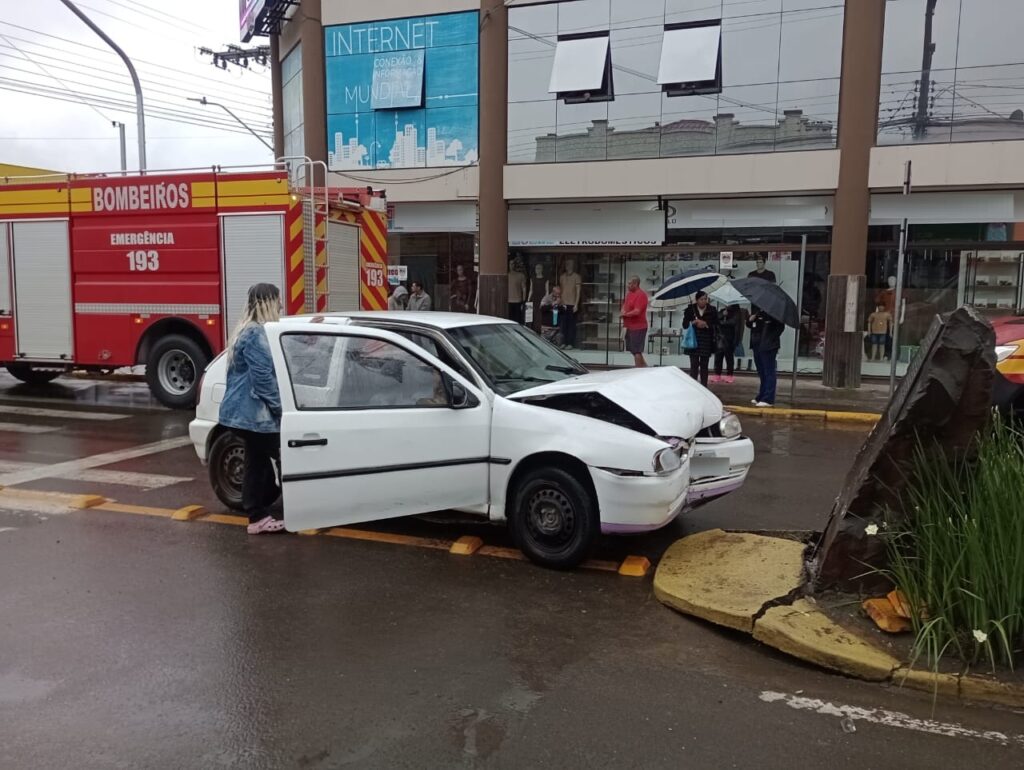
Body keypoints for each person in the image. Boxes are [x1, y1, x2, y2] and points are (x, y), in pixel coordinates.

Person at [219, 283, 285, 535]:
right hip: (253, 416)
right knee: (277, 459)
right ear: (268, 302)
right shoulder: (257, 334)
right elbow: (263, 380)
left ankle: (257, 514)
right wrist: (282, 410)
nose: (281, 305)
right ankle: (259, 515)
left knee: (256, 462)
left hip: (243, 414)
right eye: (278, 300)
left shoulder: (247, 330)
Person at [747, 306, 785, 407]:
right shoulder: (759, 311)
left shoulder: (774, 312)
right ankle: (762, 394)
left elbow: (780, 327)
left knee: (769, 371)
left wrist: (770, 339)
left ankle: (768, 398)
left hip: (768, 345)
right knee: (761, 372)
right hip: (757, 344)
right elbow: (751, 325)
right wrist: (750, 320)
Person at [682, 290, 718, 387]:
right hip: (693, 339)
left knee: (704, 365)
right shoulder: (690, 310)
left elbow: (717, 325)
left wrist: (706, 324)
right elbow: (685, 325)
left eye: (705, 299)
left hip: (706, 340)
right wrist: (693, 322)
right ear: (696, 300)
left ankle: (704, 386)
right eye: (701, 299)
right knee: (694, 365)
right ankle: (693, 386)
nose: (703, 301)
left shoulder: (712, 310)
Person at [620, 275, 649, 368]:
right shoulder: (629, 294)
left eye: (629, 283)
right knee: (633, 350)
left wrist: (626, 314)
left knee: (636, 350)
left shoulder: (641, 295)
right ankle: (644, 368)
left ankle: (639, 370)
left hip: (638, 326)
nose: (627, 285)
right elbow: (624, 305)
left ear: (636, 284)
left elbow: (637, 311)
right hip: (628, 326)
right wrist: (622, 311)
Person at [712, 304, 744, 384]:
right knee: (718, 357)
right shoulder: (723, 311)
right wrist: (723, 315)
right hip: (720, 337)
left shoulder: (737, 312)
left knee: (729, 358)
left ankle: (730, 375)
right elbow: (715, 319)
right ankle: (717, 374)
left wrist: (721, 322)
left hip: (730, 339)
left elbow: (733, 322)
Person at [559, 259, 583, 348]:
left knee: (571, 325)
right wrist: (560, 301)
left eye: (569, 264)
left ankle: (570, 343)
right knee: (563, 325)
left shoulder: (577, 276)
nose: (567, 265)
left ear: (573, 265)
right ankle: (563, 342)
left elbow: (578, 291)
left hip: (572, 304)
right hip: (563, 304)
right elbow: (560, 290)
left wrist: (576, 304)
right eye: (566, 264)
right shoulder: (562, 277)